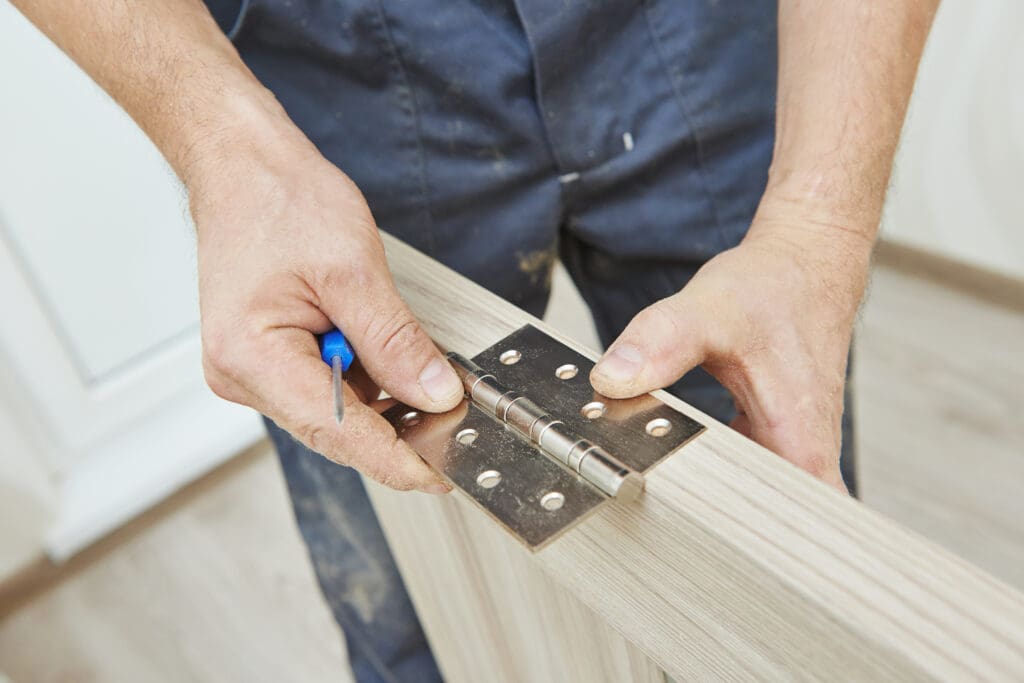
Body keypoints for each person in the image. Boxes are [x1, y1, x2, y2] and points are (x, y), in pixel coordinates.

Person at [12, 1, 938, 680]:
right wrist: (224, 143)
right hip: (328, 55)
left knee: (769, 524)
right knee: (415, 583)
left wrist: (816, 226)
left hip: (696, 31)